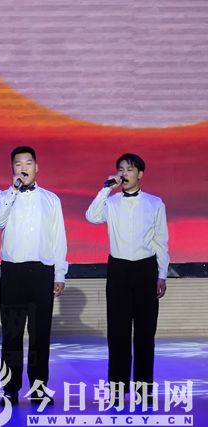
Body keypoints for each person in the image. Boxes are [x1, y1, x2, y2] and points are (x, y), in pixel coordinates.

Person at [0, 146, 67, 406]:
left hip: (42, 272)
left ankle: (39, 388)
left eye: (28, 163)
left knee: (40, 335)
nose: (24, 168)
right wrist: (13, 191)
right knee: (11, 334)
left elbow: (58, 238)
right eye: (18, 164)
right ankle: (10, 389)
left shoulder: (51, 200)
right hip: (13, 272)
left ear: (37, 167)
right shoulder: (2, 196)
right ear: (12, 168)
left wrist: (60, 273)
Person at [85, 153, 168, 403]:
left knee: (145, 332)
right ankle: (118, 391)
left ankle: (144, 390)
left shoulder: (155, 203)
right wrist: (105, 189)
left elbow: (161, 241)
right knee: (118, 332)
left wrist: (162, 274)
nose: (124, 173)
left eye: (129, 169)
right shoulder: (111, 203)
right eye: (121, 169)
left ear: (140, 174)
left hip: (146, 269)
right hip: (119, 269)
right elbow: (91, 216)